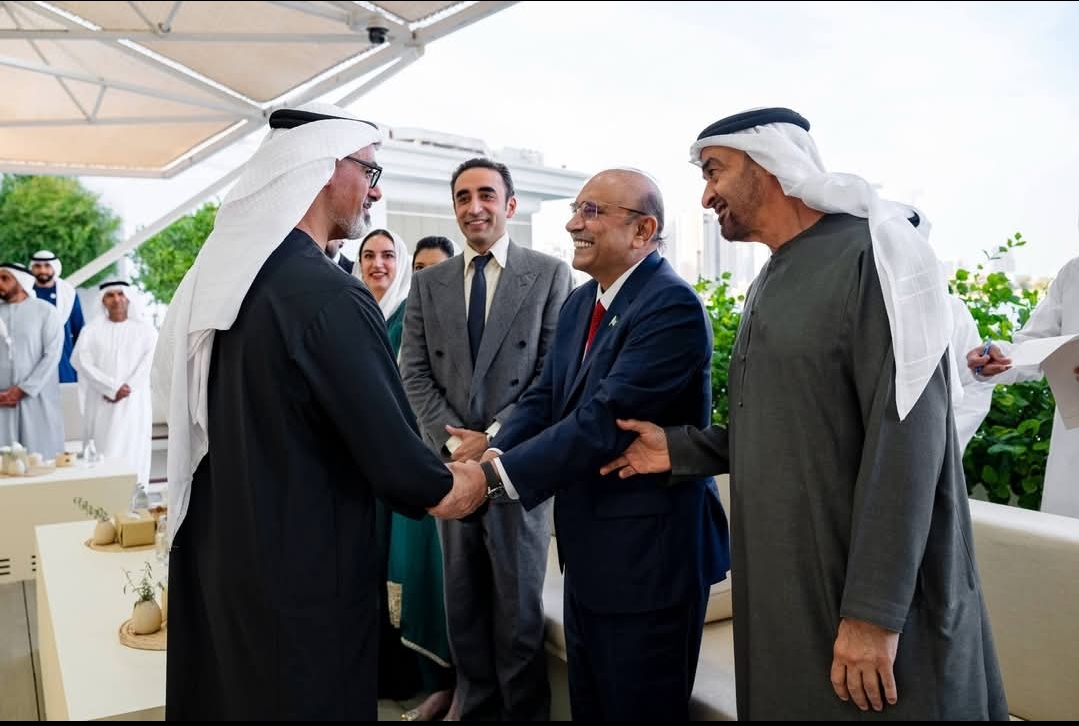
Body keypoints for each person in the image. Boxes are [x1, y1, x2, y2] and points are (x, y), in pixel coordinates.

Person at [599, 107, 1008, 720]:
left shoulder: (876, 256)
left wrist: (873, 613)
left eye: (714, 171)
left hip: (864, 599)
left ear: (769, 165)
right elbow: (787, 421)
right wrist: (680, 449)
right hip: (786, 585)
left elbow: (909, 443)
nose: (706, 195)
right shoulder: (774, 274)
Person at [151, 102, 483, 721]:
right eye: (370, 173)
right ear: (325, 167)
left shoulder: (225, 284)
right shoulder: (328, 295)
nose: (375, 193)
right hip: (302, 580)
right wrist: (464, 482)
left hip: (225, 561)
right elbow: (396, 463)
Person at [453, 168, 730, 720]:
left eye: (592, 211)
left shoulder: (670, 306)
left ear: (643, 230)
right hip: (589, 558)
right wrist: (492, 445)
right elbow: (547, 395)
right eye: (576, 209)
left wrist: (490, 481)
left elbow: (602, 422)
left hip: (650, 563)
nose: (573, 224)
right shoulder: (582, 303)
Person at [400, 157, 574, 721]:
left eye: (486, 195)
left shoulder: (548, 274)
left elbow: (551, 374)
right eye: (462, 197)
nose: (474, 207)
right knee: (464, 612)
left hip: (514, 470)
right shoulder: (428, 283)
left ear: (510, 204)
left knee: (518, 619)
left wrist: (492, 440)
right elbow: (413, 371)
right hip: (451, 472)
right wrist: (457, 447)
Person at [381, 234, 458, 722]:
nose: (427, 278)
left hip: (450, 464)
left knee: (443, 579)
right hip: (405, 461)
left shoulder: (462, 317)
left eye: (437, 269)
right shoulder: (402, 317)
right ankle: (431, 685)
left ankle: (454, 689)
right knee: (410, 572)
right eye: (420, 269)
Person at [967, 253, 1079, 517]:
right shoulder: (1073, 273)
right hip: (1072, 457)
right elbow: (1034, 347)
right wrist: (997, 358)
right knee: (1061, 539)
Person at [69, 280, 157, 488]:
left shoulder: (146, 330)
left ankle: (136, 499)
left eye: (121, 294)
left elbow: (150, 361)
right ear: (102, 301)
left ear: (129, 297)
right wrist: (110, 387)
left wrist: (126, 388)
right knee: (103, 450)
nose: (116, 300)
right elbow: (80, 360)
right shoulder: (91, 330)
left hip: (133, 404)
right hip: (101, 403)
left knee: (134, 450)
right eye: (110, 295)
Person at [0, 262, 64, 457]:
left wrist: (23, 389)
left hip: (37, 397)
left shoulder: (46, 311)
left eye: (4, 278)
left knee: (40, 457)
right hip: (1, 399)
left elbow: (52, 355)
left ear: (21, 282)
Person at [29, 250, 85, 383]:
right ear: (32, 268)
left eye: (47, 266)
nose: (42, 270)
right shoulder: (24, 292)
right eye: (38, 266)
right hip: (30, 356)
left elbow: (79, 329)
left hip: (63, 357)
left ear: (54, 267)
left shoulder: (68, 293)